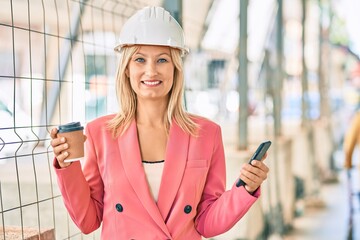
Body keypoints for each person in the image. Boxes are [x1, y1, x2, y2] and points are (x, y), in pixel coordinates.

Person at [50, 6, 269, 239]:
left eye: (162, 60)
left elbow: (207, 222)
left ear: (175, 67)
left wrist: (245, 188)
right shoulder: (100, 133)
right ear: (126, 69)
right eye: (140, 60)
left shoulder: (207, 134)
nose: (151, 71)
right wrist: (67, 166)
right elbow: (88, 220)